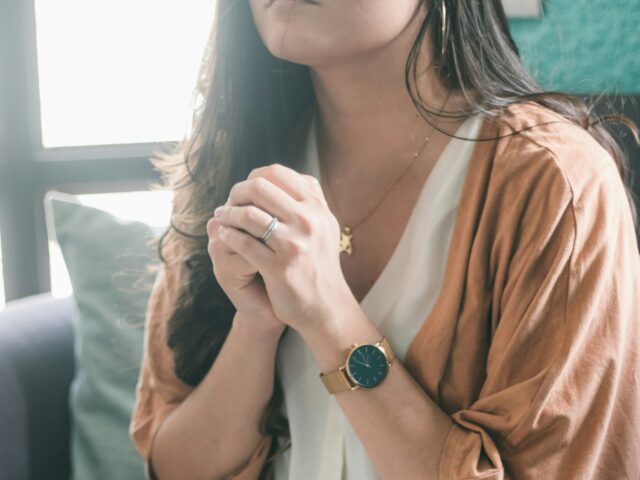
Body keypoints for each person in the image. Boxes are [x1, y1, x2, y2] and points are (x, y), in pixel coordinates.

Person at [129, 0, 640, 479]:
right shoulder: (228, 174)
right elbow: (175, 464)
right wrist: (255, 326)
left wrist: (330, 318)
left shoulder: (558, 186)